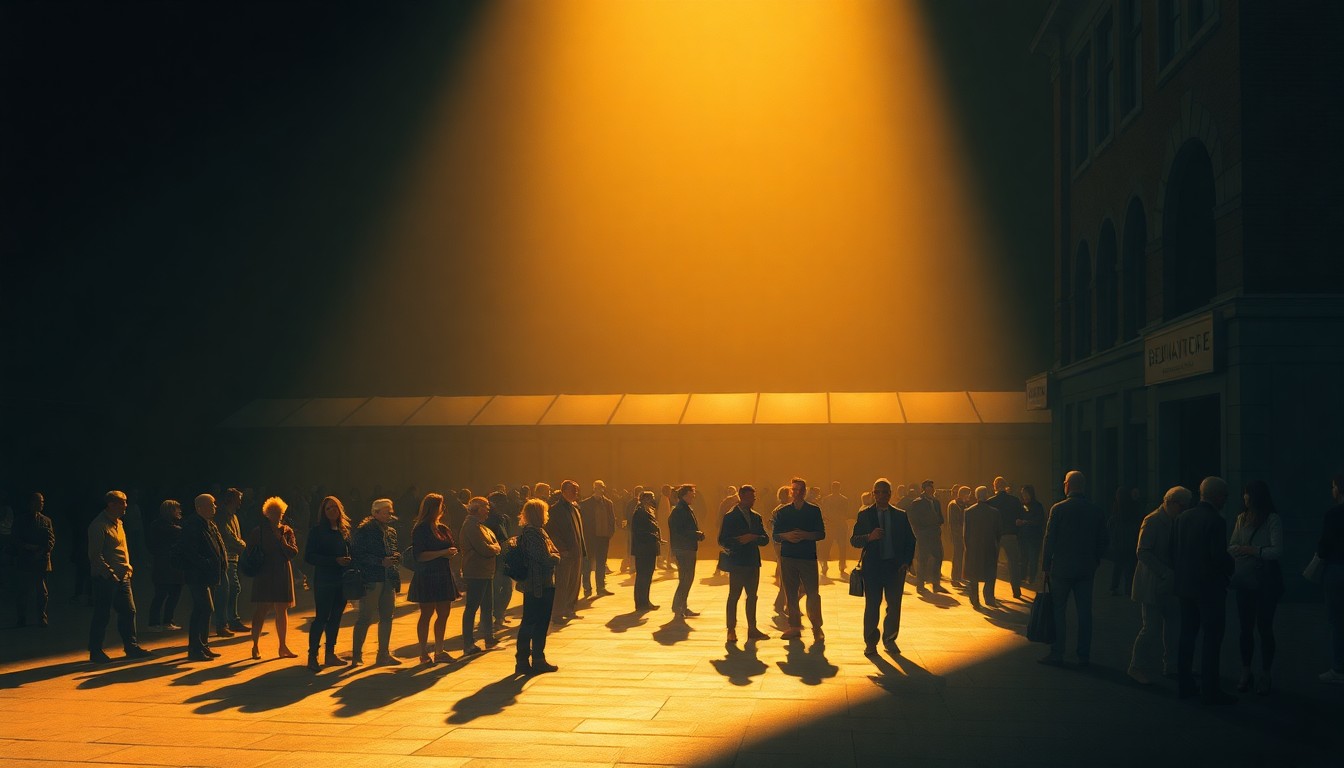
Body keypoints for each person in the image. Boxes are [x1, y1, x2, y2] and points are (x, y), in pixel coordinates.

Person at [1174, 476, 1236, 704]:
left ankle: (1185, 685)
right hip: (1209, 589)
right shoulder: (1216, 521)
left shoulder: (1183, 517)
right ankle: (1211, 690)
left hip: (1185, 587)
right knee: (1212, 639)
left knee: (1187, 636)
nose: (1226, 500)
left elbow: (1176, 551)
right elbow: (1218, 556)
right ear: (1217, 496)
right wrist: (1232, 567)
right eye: (1225, 496)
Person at [1039, 470, 1107, 667]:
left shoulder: (1058, 509)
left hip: (1061, 568)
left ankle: (1057, 652)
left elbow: (1049, 539)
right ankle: (1083, 655)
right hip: (1086, 569)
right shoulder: (1096, 510)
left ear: (1067, 485)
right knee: (1085, 613)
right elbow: (1104, 540)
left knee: (1058, 611)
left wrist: (1045, 566)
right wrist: (1095, 560)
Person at [1127, 486, 1190, 685]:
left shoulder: (1175, 520)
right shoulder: (1152, 520)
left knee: (1173, 626)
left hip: (1169, 582)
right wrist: (1165, 572)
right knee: (1151, 628)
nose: (1184, 509)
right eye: (1182, 505)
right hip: (1152, 583)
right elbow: (1142, 551)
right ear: (1170, 502)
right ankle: (1136, 666)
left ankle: (1170, 665)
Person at [1227, 480, 1284, 695]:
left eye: (1247, 494)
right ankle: (1246, 671)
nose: (1244, 498)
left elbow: (1277, 551)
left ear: (1257, 496)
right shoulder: (1241, 519)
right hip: (1245, 581)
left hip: (1265, 582)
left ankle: (1265, 673)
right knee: (1245, 629)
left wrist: (1251, 550)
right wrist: (1249, 550)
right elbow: (1232, 546)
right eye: (1243, 494)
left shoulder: (1272, 520)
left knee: (1265, 628)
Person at [851, 478, 917, 656]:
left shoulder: (900, 515)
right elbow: (854, 541)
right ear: (873, 494)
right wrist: (868, 537)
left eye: (885, 492)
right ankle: (870, 642)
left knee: (894, 605)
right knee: (872, 605)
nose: (881, 495)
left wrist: (906, 561)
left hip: (895, 568)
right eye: (878, 492)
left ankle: (890, 638)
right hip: (873, 568)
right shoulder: (865, 515)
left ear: (890, 494)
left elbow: (911, 540)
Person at [87, 490, 154, 663]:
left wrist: (128, 568)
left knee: (129, 611)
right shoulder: (99, 525)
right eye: (122, 502)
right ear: (111, 504)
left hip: (123, 577)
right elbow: (95, 555)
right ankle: (95, 651)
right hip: (106, 579)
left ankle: (131, 646)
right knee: (102, 615)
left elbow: (122, 549)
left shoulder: (119, 523)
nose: (126, 505)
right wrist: (110, 574)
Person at [408, 493, 461, 664]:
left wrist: (451, 552)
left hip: (443, 572)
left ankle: (440, 650)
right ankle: (423, 652)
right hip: (427, 574)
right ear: (432, 508)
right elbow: (420, 556)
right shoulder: (421, 529)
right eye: (440, 506)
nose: (442, 509)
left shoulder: (442, 528)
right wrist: (442, 553)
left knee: (444, 613)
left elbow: (451, 546)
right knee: (427, 613)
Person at [246, 496, 299, 660]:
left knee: (281, 610)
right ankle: (255, 645)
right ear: (267, 513)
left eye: (279, 512)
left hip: (282, 571)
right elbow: (250, 552)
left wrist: (282, 542)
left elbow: (294, 552)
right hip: (265, 573)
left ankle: (282, 646)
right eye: (273, 512)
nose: (277, 515)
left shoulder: (287, 531)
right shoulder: (259, 531)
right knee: (261, 610)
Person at [351, 498, 403, 666]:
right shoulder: (365, 530)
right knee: (365, 617)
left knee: (387, 616)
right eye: (387, 511)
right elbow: (358, 554)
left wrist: (396, 557)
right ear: (376, 513)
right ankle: (357, 655)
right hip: (372, 578)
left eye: (391, 511)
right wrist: (380, 561)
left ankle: (383, 654)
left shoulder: (391, 531)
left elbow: (395, 550)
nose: (390, 514)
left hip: (388, 578)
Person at [773, 477, 826, 641]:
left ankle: (817, 627)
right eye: (794, 489)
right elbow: (775, 535)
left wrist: (806, 535)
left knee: (813, 593)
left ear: (804, 492)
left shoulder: (813, 511)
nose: (796, 493)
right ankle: (794, 626)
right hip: (788, 556)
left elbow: (821, 533)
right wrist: (787, 536)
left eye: (800, 490)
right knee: (791, 593)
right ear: (790, 491)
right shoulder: (783, 512)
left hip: (807, 556)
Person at [304, 495, 352, 671]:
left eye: (334, 507)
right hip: (324, 580)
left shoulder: (344, 530)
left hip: (342, 580)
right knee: (321, 617)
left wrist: (348, 560)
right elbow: (309, 557)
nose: (332, 510)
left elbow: (350, 551)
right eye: (328, 508)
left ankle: (330, 653)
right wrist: (334, 560)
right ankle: (312, 656)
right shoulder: (317, 531)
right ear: (323, 512)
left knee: (336, 617)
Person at [515, 498, 561, 675]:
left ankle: (538, 658)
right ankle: (523, 660)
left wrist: (554, 555)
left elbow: (553, 551)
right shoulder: (532, 533)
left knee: (541, 622)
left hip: (544, 582)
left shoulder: (540, 532)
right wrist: (555, 558)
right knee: (531, 622)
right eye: (544, 512)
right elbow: (545, 557)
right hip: (536, 585)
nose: (546, 515)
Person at [719, 484, 769, 641]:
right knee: (734, 595)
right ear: (741, 497)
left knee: (752, 596)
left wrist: (753, 537)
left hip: (753, 562)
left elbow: (765, 539)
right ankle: (731, 629)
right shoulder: (730, 516)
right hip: (737, 562)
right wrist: (739, 541)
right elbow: (722, 540)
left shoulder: (756, 516)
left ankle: (752, 628)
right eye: (749, 498)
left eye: (753, 498)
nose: (752, 501)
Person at [181, 493, 227, 661]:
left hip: (209, 575)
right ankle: (195, 648)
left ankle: (203, 645)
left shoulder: (209, 523)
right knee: (203, 608)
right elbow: (190, 552)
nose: (215, 507)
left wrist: (219, 564)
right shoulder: (193, 525)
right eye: (212, 504)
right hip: (198, 576)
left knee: (205, 610)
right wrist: (207, 563)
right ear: (201, 508)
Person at [460, 495, 501, 655]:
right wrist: (495, 548)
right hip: (476, 571)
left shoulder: (482, 526)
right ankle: (468, 643)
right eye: (486, 508)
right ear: (477, 509)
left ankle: (489, 638)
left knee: (487, 606)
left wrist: (494, 547)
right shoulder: (471, 526)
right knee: (472, 607)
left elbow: (494, 543)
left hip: (485, 571)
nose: (488, 511)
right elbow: (484, 548)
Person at [544, 480, 586, 625]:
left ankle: (569, 608)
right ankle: (557, 613)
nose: (575, 493)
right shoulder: (556, 509)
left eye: (576, 490)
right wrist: (562, 549)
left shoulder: (574, 507)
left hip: (576, 551)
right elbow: (553, 532)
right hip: (565, 553)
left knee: (574, 582)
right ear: (563, 491)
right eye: (572, 490)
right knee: (562, 583)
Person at [12, 492, 54, 628]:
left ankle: (42, 617)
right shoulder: (20, 520)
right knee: (23, 591)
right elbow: (16, 539)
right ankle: (21, 618)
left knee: (42, 592)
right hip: (25, 560)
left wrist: (42, 551)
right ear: (31, 503)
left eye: (42, 502)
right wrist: (27, 547)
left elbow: (51, 540)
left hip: (41, 561)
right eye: (38, 502)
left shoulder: (46, 521)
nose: (41, 504)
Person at [1318, 470, 1344, 684]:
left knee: (1337, 620)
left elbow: (1324, 546)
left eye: (1334, 486)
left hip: (1337, 569)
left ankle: (1338, 669)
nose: (1332, 490)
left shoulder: (1333, 514)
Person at [213, 488, 249, 638]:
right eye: (238, 498)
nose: (240, 502)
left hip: (233, 556)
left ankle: (230, 620)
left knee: (232, 589)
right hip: (226, 557)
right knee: (228, 589)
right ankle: (225, 622)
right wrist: (242, 545)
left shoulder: (232, 516)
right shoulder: (223, 516)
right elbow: (227, 535)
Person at [146, 499, 185, 632]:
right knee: (165, 594)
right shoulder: (172, 528)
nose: (179, 511)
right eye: (176, 509)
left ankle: (161, 622)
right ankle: (159, 622)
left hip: (164, 565)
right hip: (167, 565)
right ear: (170, 511)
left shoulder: (158, 525)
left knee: (166, 594)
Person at [962, 486, 1003, 608]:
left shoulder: (969, 511)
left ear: (976, 496)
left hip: (974, 548)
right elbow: (999, 532)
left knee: (974, 575)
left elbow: (966, 533)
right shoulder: (995, 512)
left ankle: (975, 599)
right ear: (986, 495)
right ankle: (989, 597)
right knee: (990, 573)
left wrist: (967, 547)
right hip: (989, 546)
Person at [668, 484, 705, 618]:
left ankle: (682, 606)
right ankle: (678, 606)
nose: (694, 497)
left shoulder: (685, 508)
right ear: (684, 495)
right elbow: (679, 531)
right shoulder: (679, 510)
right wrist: (696, 534)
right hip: (683, 549)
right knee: (685, 578)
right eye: (691, 494)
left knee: (687, 579)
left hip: (687, 548)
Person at [988, 477, 1026, 600]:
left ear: (994, 486)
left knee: (992, 564)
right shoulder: (1014, 501)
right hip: (1010, 535)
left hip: (996, 536)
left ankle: (990, 592)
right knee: (1013, 564)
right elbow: (1021, 518)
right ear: (1005, 486)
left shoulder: (991, 502)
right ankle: (1016, 590)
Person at [907, 480, 946, 594]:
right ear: (925, 489)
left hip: (935, 534)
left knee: (938, 557)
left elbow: (940, 517)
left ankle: (936, 584)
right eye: (929, 488)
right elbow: (913, 519)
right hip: (924, 535)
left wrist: (938, 523)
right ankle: (920, 585)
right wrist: (919, 532)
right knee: (922, 560)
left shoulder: (936, 502)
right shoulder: (917, 503)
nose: (932, 490)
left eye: (932, 488)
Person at [485, 490, 516, 628]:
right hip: (495, 558)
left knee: (508, 588)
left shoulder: (505, 518)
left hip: (505, 557)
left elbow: (508, 535)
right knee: (496, 588)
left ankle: (500, 613)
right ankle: (496, 616)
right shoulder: (488, 519)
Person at [580, 480, 616, 598]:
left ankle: (601, 587)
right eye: (597, 487)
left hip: (603, 538)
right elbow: (583, 522)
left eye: (601, 487)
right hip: (590, 538)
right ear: (594, 488)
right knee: (588, 563)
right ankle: (587, 587)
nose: (600, 489)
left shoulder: (608, 503)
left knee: (601, 563)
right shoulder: (585, 504)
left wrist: (610, 532)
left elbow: (611, 519)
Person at [1108, 487, 1144, 597]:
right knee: (1129, 567)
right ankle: (1128, 589)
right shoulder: (1133, 507)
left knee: (1118, 565)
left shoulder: (1116, 508)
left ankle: (1114, 587)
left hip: (1119, 540)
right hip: (1129, 539)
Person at [630, 490, 661, 612]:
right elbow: (641, 532)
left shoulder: (646, 511)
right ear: (645, 499)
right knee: (643, 576)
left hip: (648, 549)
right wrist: (654, 536)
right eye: (651, 498)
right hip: (644, 550)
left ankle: (645, 601)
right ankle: (641, 602)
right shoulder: (640, 513)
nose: (653, 500)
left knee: (647, 576)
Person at [1017, 484, 1046, 587]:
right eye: (1022, 494)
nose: (1024, 496)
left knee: (1033, 558)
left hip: (1034, 537)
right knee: (1023, 558)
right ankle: (1022, 577)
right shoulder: (1021, 506)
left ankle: (1032, 578)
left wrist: (1026, 522)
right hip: (1023, 537)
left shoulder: (1037, 506)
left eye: (1025, 494)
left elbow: (1040, 521)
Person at [821, 481, 850, 578]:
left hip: (830, 525)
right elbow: (846, 513)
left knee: (827, 546)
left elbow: (824, 512)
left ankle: (824, 564)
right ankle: (842, 565)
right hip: (840, 525)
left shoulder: (826, 499)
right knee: (842, 547)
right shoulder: (844, 500)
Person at [947, 486, 972, 587]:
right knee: (957, 557)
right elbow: (955, 523)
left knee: (960, 556)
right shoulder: (955, 505)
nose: (969, 497)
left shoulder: (960, 504)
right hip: (957, 535)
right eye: (968, 495)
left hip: (960, 535)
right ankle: (955, 578)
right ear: (963, 495)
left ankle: (959, 577)